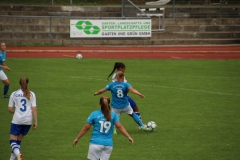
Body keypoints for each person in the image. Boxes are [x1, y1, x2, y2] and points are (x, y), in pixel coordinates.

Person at [72, 96, 134, 160]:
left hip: (96, 143)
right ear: (109, 103)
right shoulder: (113, 115)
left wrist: (77, 138)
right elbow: (119, 126)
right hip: (108, 145)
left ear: (99, 103)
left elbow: (86, 128)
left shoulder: (94, 114)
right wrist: (129, 137)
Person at [8, 77, 37, 160]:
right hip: (28, 121)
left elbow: (9, 109)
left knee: (12, 141)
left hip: (17, 120)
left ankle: (19, 154)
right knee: (18, 142)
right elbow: (34, 109)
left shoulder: (14, 94)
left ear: (19, 83)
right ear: (27, 84)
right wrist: (35, 121)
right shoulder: (32, 94)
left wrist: (16, 113)